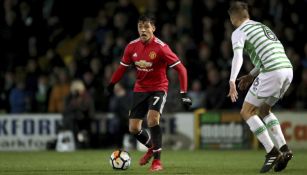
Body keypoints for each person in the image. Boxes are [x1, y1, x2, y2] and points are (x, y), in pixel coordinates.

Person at [107, 15, 192, 172]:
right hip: (140, 88)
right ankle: (152, 148)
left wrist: (184, 93)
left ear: (153, 28)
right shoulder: (131, 47)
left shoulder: (161, 48)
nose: (143, 30)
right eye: (140, 26)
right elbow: (121, 68)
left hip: (158, 88)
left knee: (152, 119)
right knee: (133, 128)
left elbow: (181, 69)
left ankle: (157, 162)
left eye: (146, 26)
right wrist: (112, 83)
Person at [227, 1, 293, 173]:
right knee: (265, 110)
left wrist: (232, 80)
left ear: (233, 18)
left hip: (272, 72)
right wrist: (251, 75)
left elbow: (238, 57)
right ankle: (284, 150)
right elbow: (271, 52)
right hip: (287, 70)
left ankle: (272, 152)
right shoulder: (261, 26)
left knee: (246, 111)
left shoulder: (239, 31)